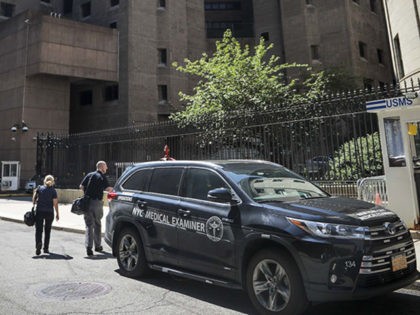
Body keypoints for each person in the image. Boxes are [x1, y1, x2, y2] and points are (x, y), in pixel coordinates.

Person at [80, 161, 112, 256]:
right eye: (106, 166)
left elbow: (81, 186)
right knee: (97, 224)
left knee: (89, 225)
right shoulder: (102, 177)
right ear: (102, 167)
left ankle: (89, 248)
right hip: (97, 203)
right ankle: (97, 246)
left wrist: (87, 193)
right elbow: (108, 189)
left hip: (87, 202)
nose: (106, 168)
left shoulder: (89, 175)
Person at [33, 174, 59, 255]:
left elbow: (34, 198)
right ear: (53, 182)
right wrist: (57, 213)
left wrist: (34, 204)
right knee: (47, 231)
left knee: (38, 230)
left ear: (44, 180)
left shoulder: (39, 188)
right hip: (49, 212)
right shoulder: (53, 191)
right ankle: (46, 248)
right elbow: (55, 203)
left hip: (39, 211)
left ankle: (38, 244)